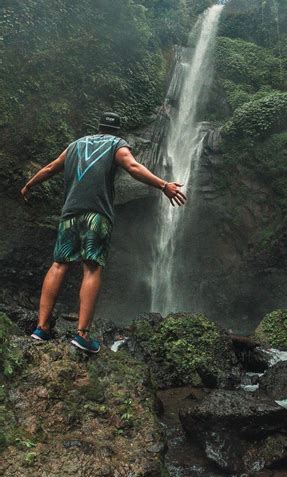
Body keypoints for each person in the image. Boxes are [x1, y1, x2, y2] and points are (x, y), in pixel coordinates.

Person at [20, 112, 186, 353]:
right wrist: (164, 185)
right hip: (96, 214)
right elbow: (132, 166)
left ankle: (41, 328)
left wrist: (28, 185)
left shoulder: (75, 145)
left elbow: (50, 167)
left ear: (97, 128)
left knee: (58, 265)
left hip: (70, 214)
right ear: (117, 131)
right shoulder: (116, 144)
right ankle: (82, 334)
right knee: (92, 267)